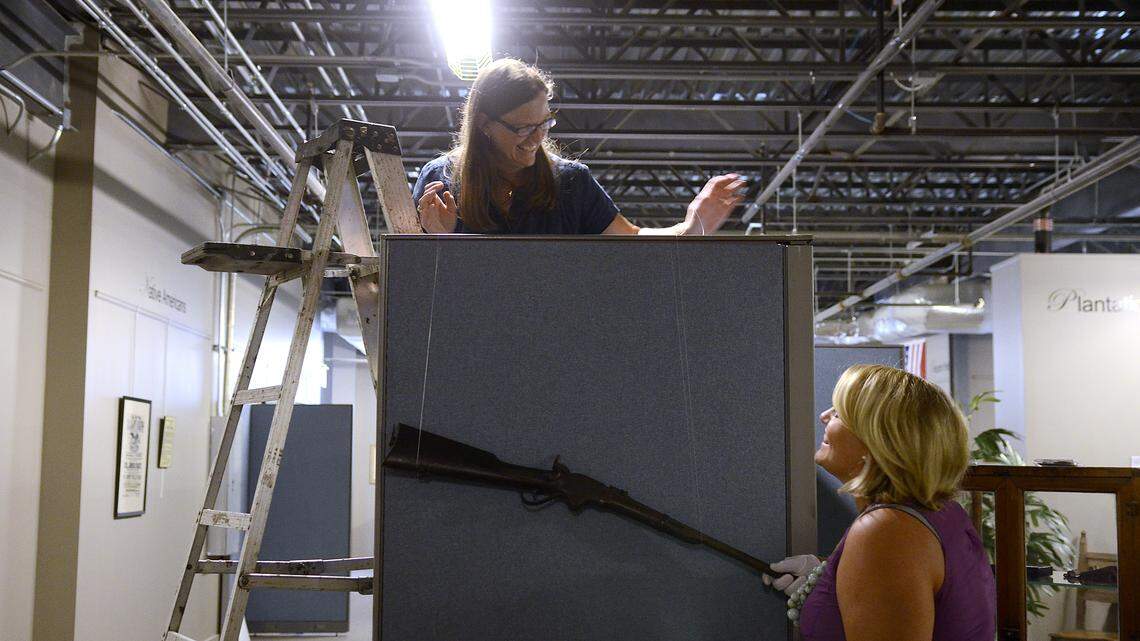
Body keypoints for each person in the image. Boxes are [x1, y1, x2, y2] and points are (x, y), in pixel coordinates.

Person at [764, 364, 996, 641]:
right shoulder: (938, 513)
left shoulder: (885, 531)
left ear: (877, 441)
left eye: (839, 413)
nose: (824, 416)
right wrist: (824, 577)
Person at [412, 58, 745, 235]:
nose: (537, 138)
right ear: (484, 124)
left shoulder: (572, 182)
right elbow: (413, 282)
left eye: (544, 123)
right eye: (524, 128)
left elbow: (632, 240)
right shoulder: (439, 180)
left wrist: (690, 227)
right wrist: (433, 240)